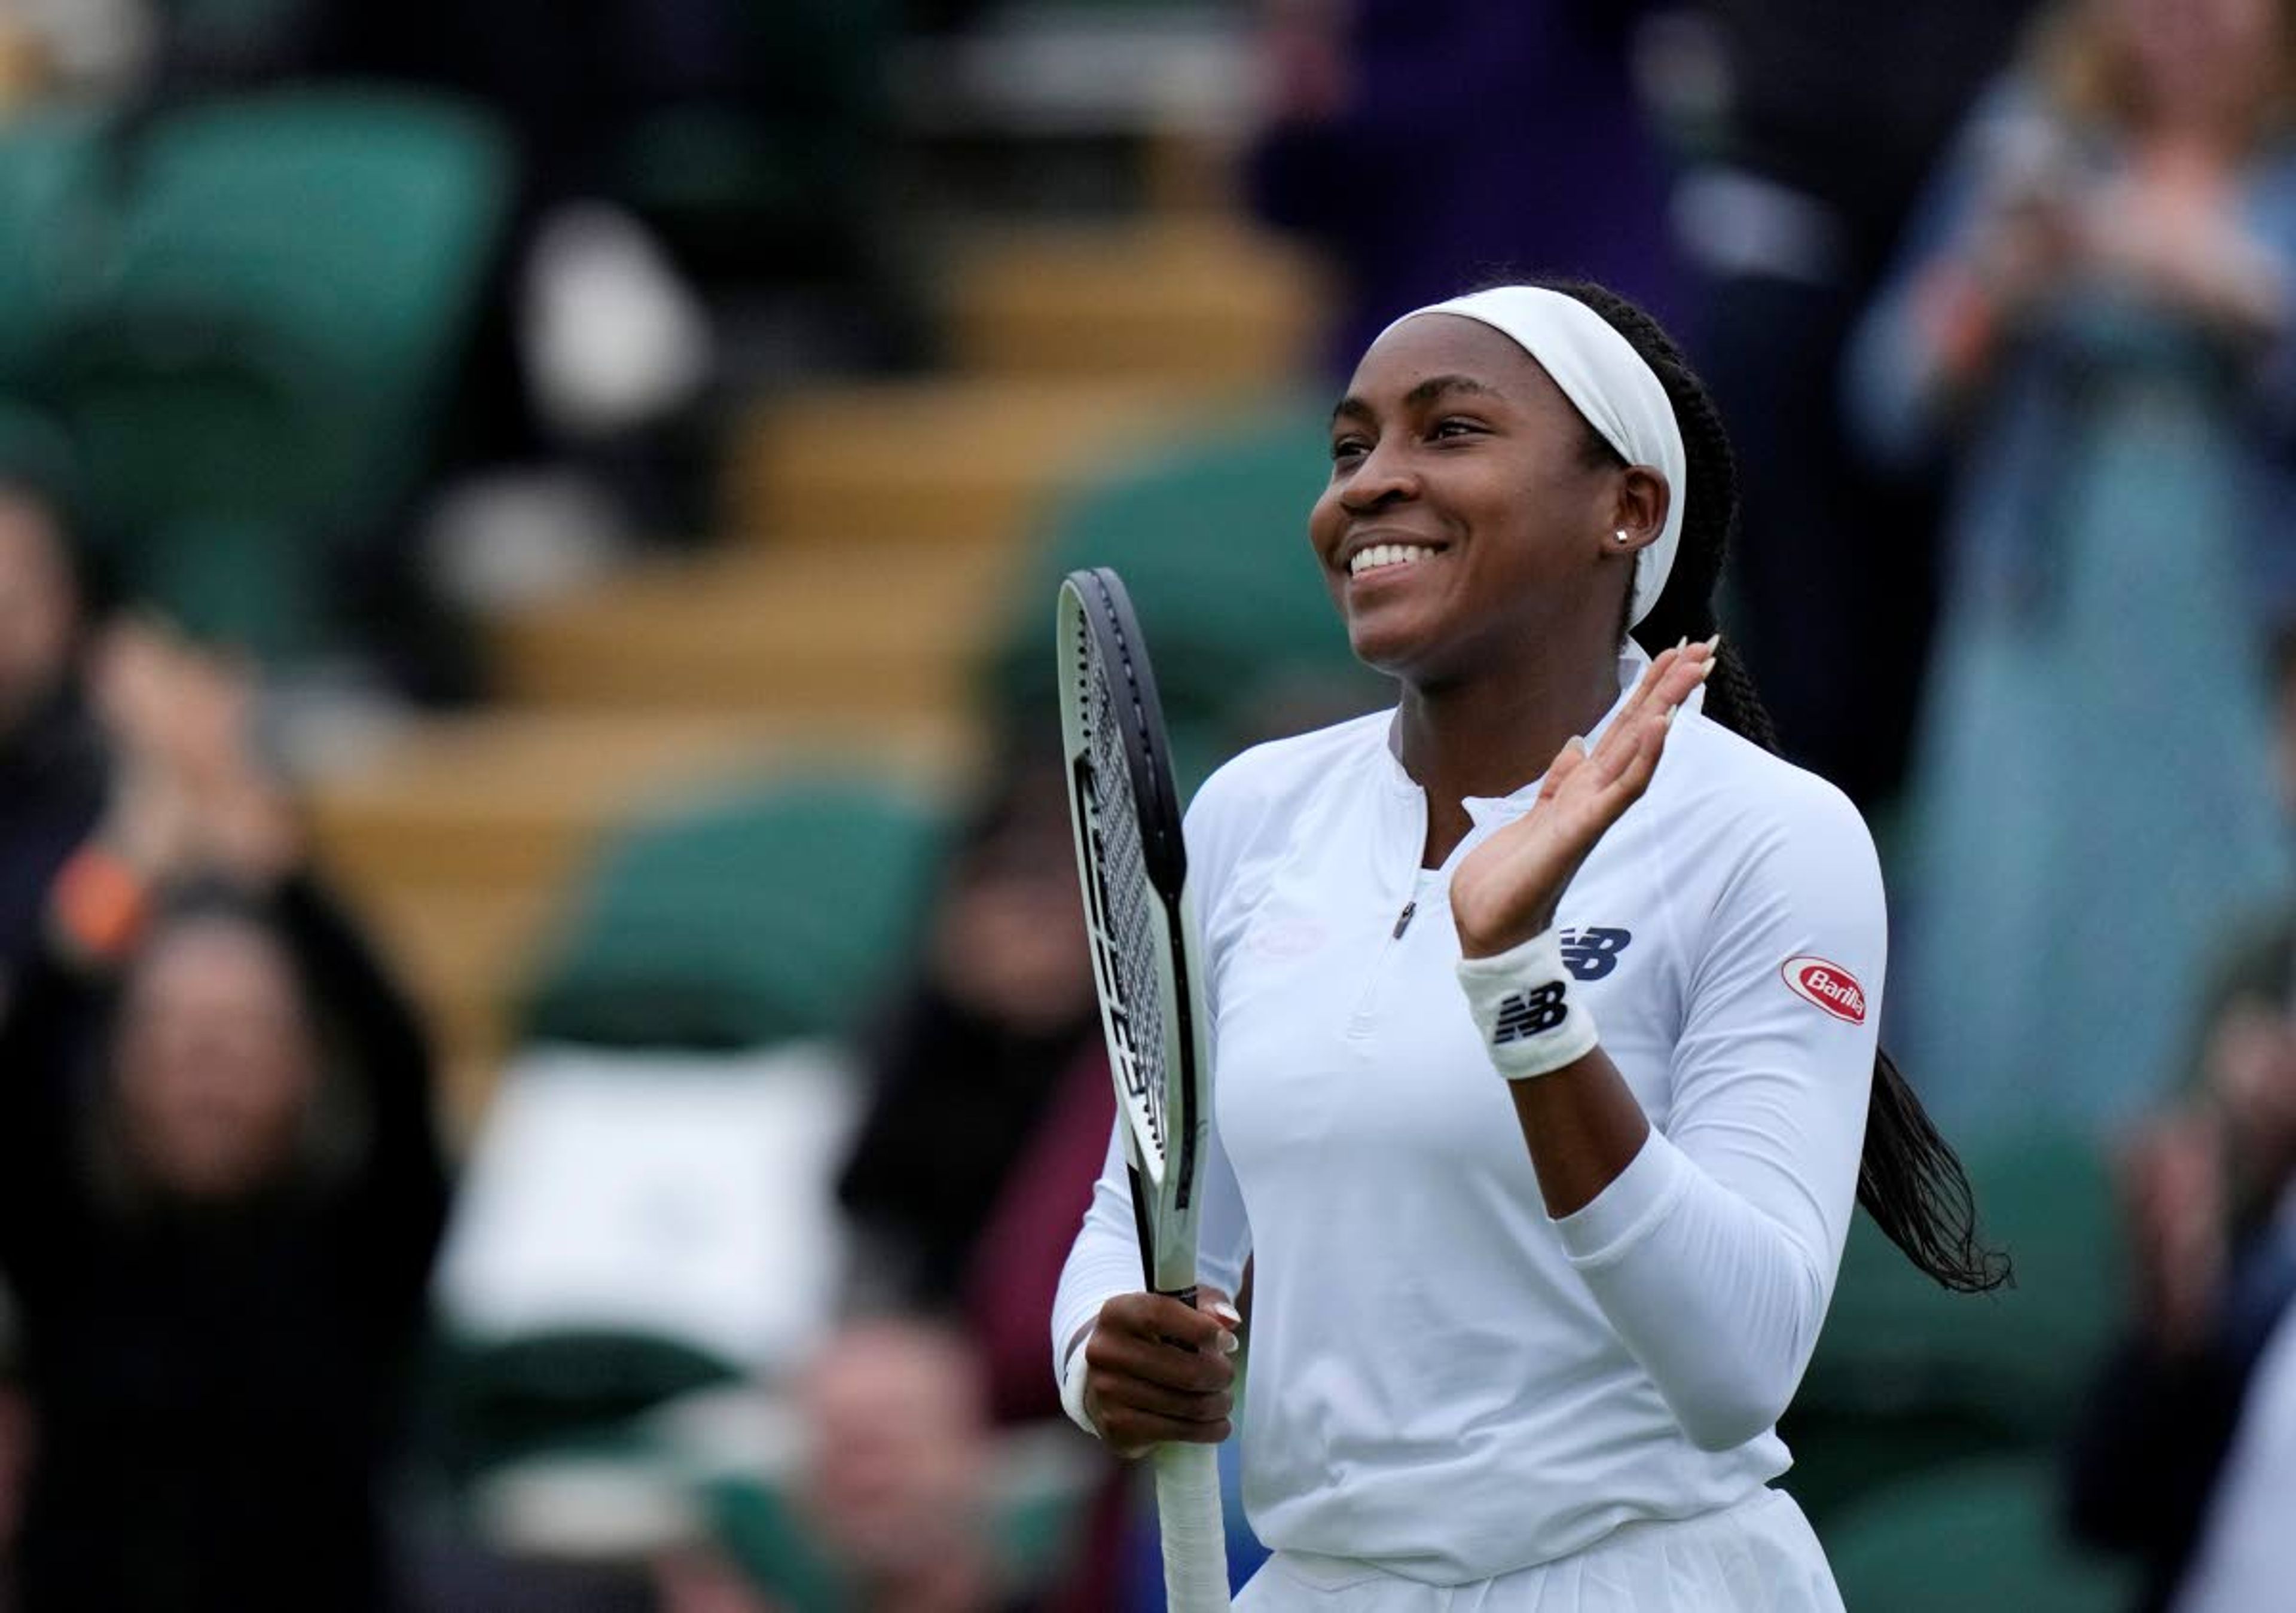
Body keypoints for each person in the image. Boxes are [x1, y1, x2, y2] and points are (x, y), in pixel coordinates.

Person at [1051, 282, 2000, 1608]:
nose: (1372, 483)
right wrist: (1103, 1351)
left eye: (1448, 433)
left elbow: (1740, 1364)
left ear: (1629, 507)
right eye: (1351, 447)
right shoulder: (1254, 812)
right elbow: (1144, 1219)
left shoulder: (1773, 832)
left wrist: (1519, 982)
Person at [1845, 0, 2296, 1137]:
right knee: (2015, 908)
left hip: (2244, 626)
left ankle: (2200, 1265)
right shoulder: (2029, 138)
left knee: (2218, 912)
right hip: (2037, 611)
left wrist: (2230, 288)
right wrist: (1994, 285)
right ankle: (2005, 1255)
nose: (2184, 18)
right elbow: (1886, 404)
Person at [0, 621, 450, 1612]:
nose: (208, 1065)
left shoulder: (362, 1242)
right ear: (120, 1070)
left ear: (302, 1066)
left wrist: (270, 853)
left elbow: (397, 1048)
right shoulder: (72, 1238)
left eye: (243, 1035)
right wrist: (131, 856)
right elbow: (26, 1046)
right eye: (176, 1036)